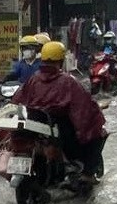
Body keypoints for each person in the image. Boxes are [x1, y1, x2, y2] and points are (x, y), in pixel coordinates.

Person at [13, 40, 108, 180]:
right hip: (60, 129)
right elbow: (84, 110)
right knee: (98, 135)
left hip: (36, 126)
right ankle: (87, 174)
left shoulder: (34, 79)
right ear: (62, 60)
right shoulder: (68, 81)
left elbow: (18, 99)